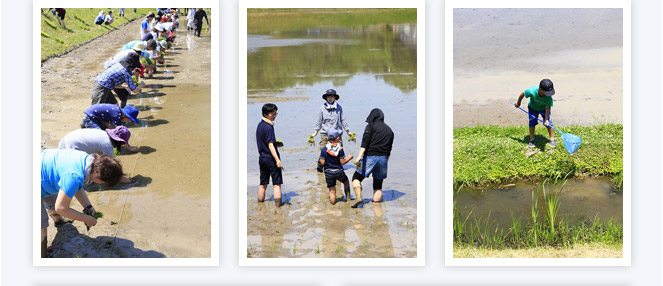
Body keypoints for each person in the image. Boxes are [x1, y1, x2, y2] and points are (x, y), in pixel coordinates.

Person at [40, 149, 124, 257]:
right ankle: (41, 257)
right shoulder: (74, 175)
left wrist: (88, 206)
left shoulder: (86, 160)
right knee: (41, 227)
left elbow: (77, 186)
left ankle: (59, 222)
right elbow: (60, 208)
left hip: (45, 173)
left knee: (53, 201)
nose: (100, 183)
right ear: (97, 172)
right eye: (102, 181)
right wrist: (86, 218)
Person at [351, 108, 394, 208]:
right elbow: (389, 149)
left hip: (370, 157)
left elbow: (364, 143)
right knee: (378, 186)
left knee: (356, 178)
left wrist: (359, 157)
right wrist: (386, 161)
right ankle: (377, 211)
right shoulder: (389, 131)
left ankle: (358, 198)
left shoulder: (371, 126)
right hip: (383, 159)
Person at [514, 78, 556, 148]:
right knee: (532, 122)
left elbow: (548, 108)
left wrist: (546, 119)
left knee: (549, 123)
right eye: (546, 93)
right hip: (533, 108)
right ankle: (532, 139)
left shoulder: (549, 97)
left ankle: (552, 138)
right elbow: (522, 94)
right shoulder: (531, 91)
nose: (548, 95)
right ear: (540, 89)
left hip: (544, 109)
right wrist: (518, 103)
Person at [256, 103, 283, 207]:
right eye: (272, 114)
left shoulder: (260, 125)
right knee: (277, 184)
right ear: (266, 114)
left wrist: (276, 145)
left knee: (263, 184)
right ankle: (278, 206)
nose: (274, 115)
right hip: (270, 159)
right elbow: (270, 145)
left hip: (262, 158)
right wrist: (277, 160)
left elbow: (264, 142)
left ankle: (260, 205)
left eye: (276, 113)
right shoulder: (269, 127)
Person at [318, 129, 354, 205]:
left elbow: (323, 162)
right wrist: (350, 158)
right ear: (337, 138)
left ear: (327, 138)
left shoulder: (324, 149)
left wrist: (322, 159)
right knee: (346, 182)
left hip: (328, 173)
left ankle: (333, 203)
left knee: (332, 190)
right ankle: (348, 198)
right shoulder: (340, 149)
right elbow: (342, 162)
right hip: (339, 171)